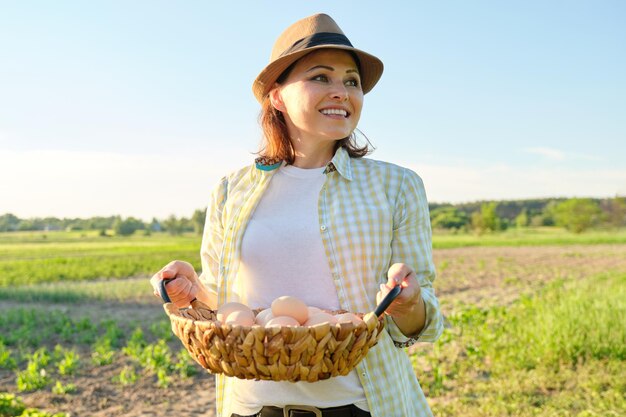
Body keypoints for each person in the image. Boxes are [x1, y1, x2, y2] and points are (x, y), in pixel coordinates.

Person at [150, 13, 444, 417]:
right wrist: (191, 292)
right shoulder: (230, 191)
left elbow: (422, 322)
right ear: (276, 96)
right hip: (252, 407)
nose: (341, 92)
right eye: (321, 77)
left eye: (351, 81)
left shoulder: (396, 187)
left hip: (361, 405)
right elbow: (226, 307)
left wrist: (408, 304)